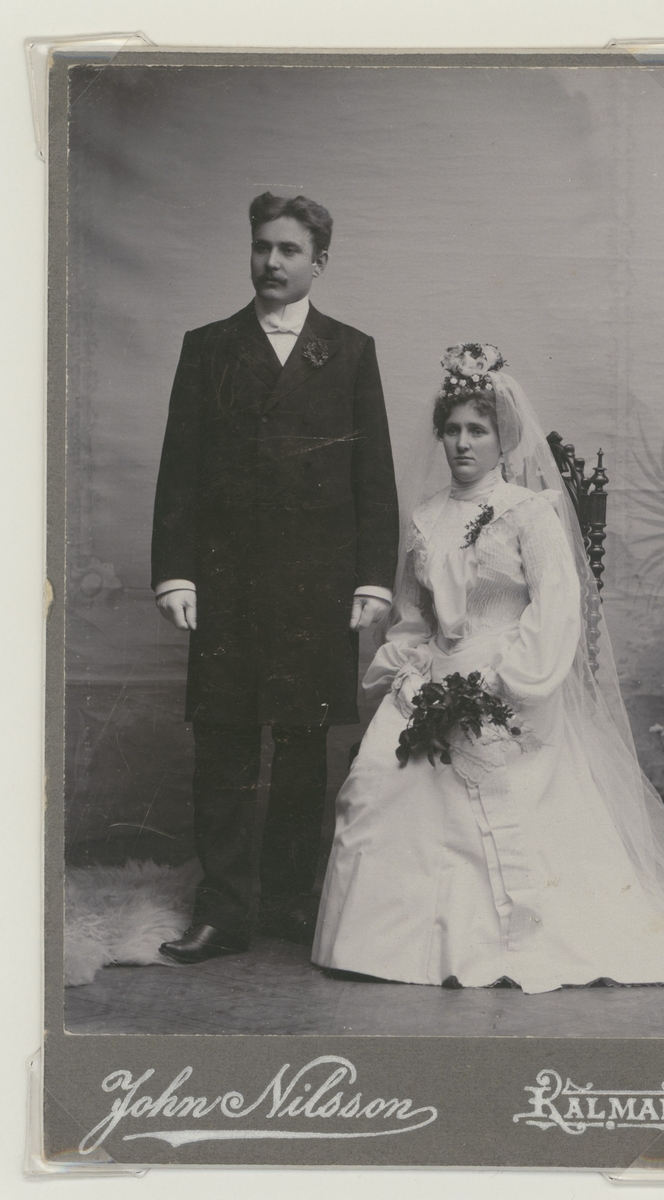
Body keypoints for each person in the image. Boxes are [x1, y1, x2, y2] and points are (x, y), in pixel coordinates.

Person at [312, 343, 664, 993]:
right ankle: (380, 946)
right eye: (452, 429)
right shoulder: (425, 518)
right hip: (435, 675)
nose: (462, 443)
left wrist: (504, 684)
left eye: (477, 430)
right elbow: (413, 618)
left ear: (503, 437)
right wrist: (410, 674)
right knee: (375, 780)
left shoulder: (529, 512)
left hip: (512, 678)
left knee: (497, 780)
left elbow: (556, 607)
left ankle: (503, 940)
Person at [152, 193, 399, 964]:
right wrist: (176, 573)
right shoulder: (209, 347)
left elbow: (373, 475)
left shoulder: (349, 351)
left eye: (289, 250)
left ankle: (291, 902)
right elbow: (179, 469)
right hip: (227, 584)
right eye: (262, 246)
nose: (272, 262)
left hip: (315, 587)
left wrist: (372, 579)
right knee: (223, 746)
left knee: (301, 749)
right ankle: (223, 912)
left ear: (318, 262)